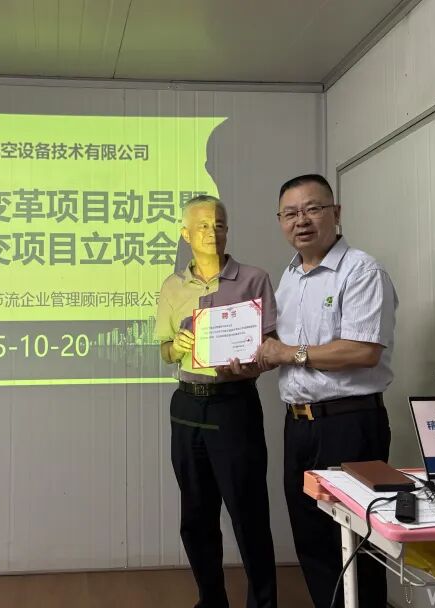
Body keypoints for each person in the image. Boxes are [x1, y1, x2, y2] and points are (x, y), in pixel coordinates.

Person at [257, 174, 398, 608]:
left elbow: (363, 351)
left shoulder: (362, 270)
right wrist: (256, 354)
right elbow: (280, 348)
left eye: (312, 209)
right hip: (299, 426)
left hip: (349, 424)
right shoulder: (289, 278)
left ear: (336, 213)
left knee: (357, 541)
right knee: (312, 538)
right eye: (290, 213)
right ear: (280, 221)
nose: (301, 220)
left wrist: (287, 353)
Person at [155, 195, 278, 608]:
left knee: (248, 513)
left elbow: (270, 347)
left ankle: (263, 603)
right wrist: (176, 346)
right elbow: (164, 351)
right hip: (187, 405)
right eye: (203, 225)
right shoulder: (172, 287)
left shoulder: (254, 279)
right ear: (185, 234)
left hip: (234, 404)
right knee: (196, 515)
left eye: (219, 224)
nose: (212, 232)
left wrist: (249, 364)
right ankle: (211, 600)